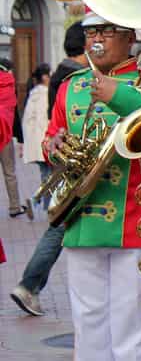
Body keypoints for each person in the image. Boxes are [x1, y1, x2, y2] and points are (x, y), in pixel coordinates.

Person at [43, 9, 141, 360]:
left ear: (129, 38)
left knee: (132, 328)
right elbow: (52, 135)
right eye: (91, 32)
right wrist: (54, 146)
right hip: (82, 222)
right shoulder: (71, 85)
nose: (96, 39)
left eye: (107, 31)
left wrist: (119, 96)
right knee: (88, 325)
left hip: (133, 221)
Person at [10, 22, 86, 317]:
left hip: (65, 158)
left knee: (58, 222)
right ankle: (29, 285)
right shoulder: (72, 76)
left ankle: (29, 286)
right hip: (71, 162)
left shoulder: (60, 72)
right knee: (58, 225)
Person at [0, 58, 29, 219]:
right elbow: (14, 113)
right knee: (9, 173)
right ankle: (14, 207)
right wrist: (20, 138)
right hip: (5, 134)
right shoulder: (9, 84)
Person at [21, 63, 51, 201]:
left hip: (37, 142)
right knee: (49, 176)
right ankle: (39, 203)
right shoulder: (43, 95)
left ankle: (40, 203)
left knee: (45, 174)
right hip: (44, 141)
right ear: (45, 77)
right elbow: (42, 120)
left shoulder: (33, 94)